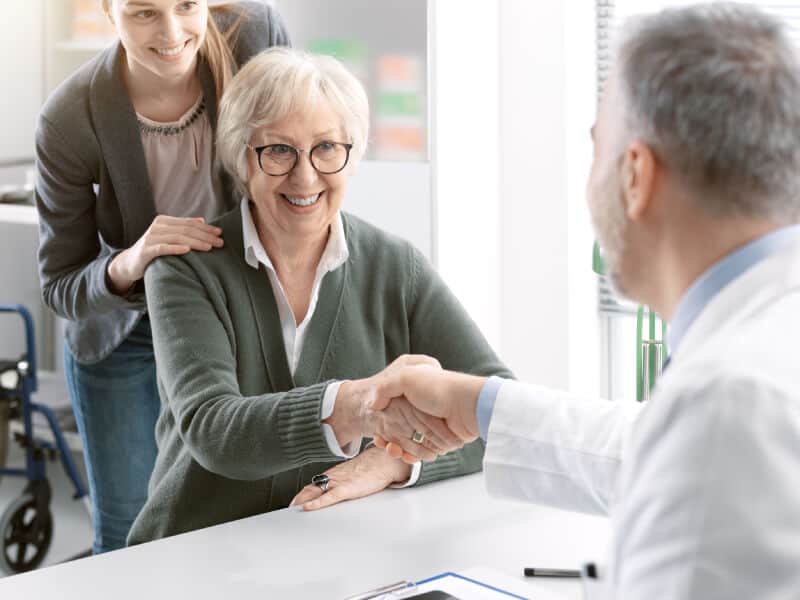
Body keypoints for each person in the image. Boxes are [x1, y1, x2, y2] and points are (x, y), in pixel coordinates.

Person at [369, 4, 800, 598]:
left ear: (635, 176)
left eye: (596, 149)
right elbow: (655, 452)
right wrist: (482, 406)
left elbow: (695, 452)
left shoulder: (727, 404)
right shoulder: (761, 348)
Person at [125, 47, 511, 544]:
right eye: (279, 150)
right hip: (193, 555)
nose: (305, 176)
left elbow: (500, 414)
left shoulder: (396, 266)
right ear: (244, 158)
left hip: (329, 554)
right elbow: (213, 429)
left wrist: (391, 463)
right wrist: (355, 405)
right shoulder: (185, 270)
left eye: (327, 147)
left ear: (353, 153)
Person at [35, 0, 289, 553]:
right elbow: (60, 286)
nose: (172, 32)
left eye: (185, 6)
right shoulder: (70, 117)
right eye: (144, 12)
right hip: (124, 336)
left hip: (228, 315)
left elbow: (300, 149)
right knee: (129, 533)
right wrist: (133, 258)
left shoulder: (253, 36)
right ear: (108, 11)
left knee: (240, 521)